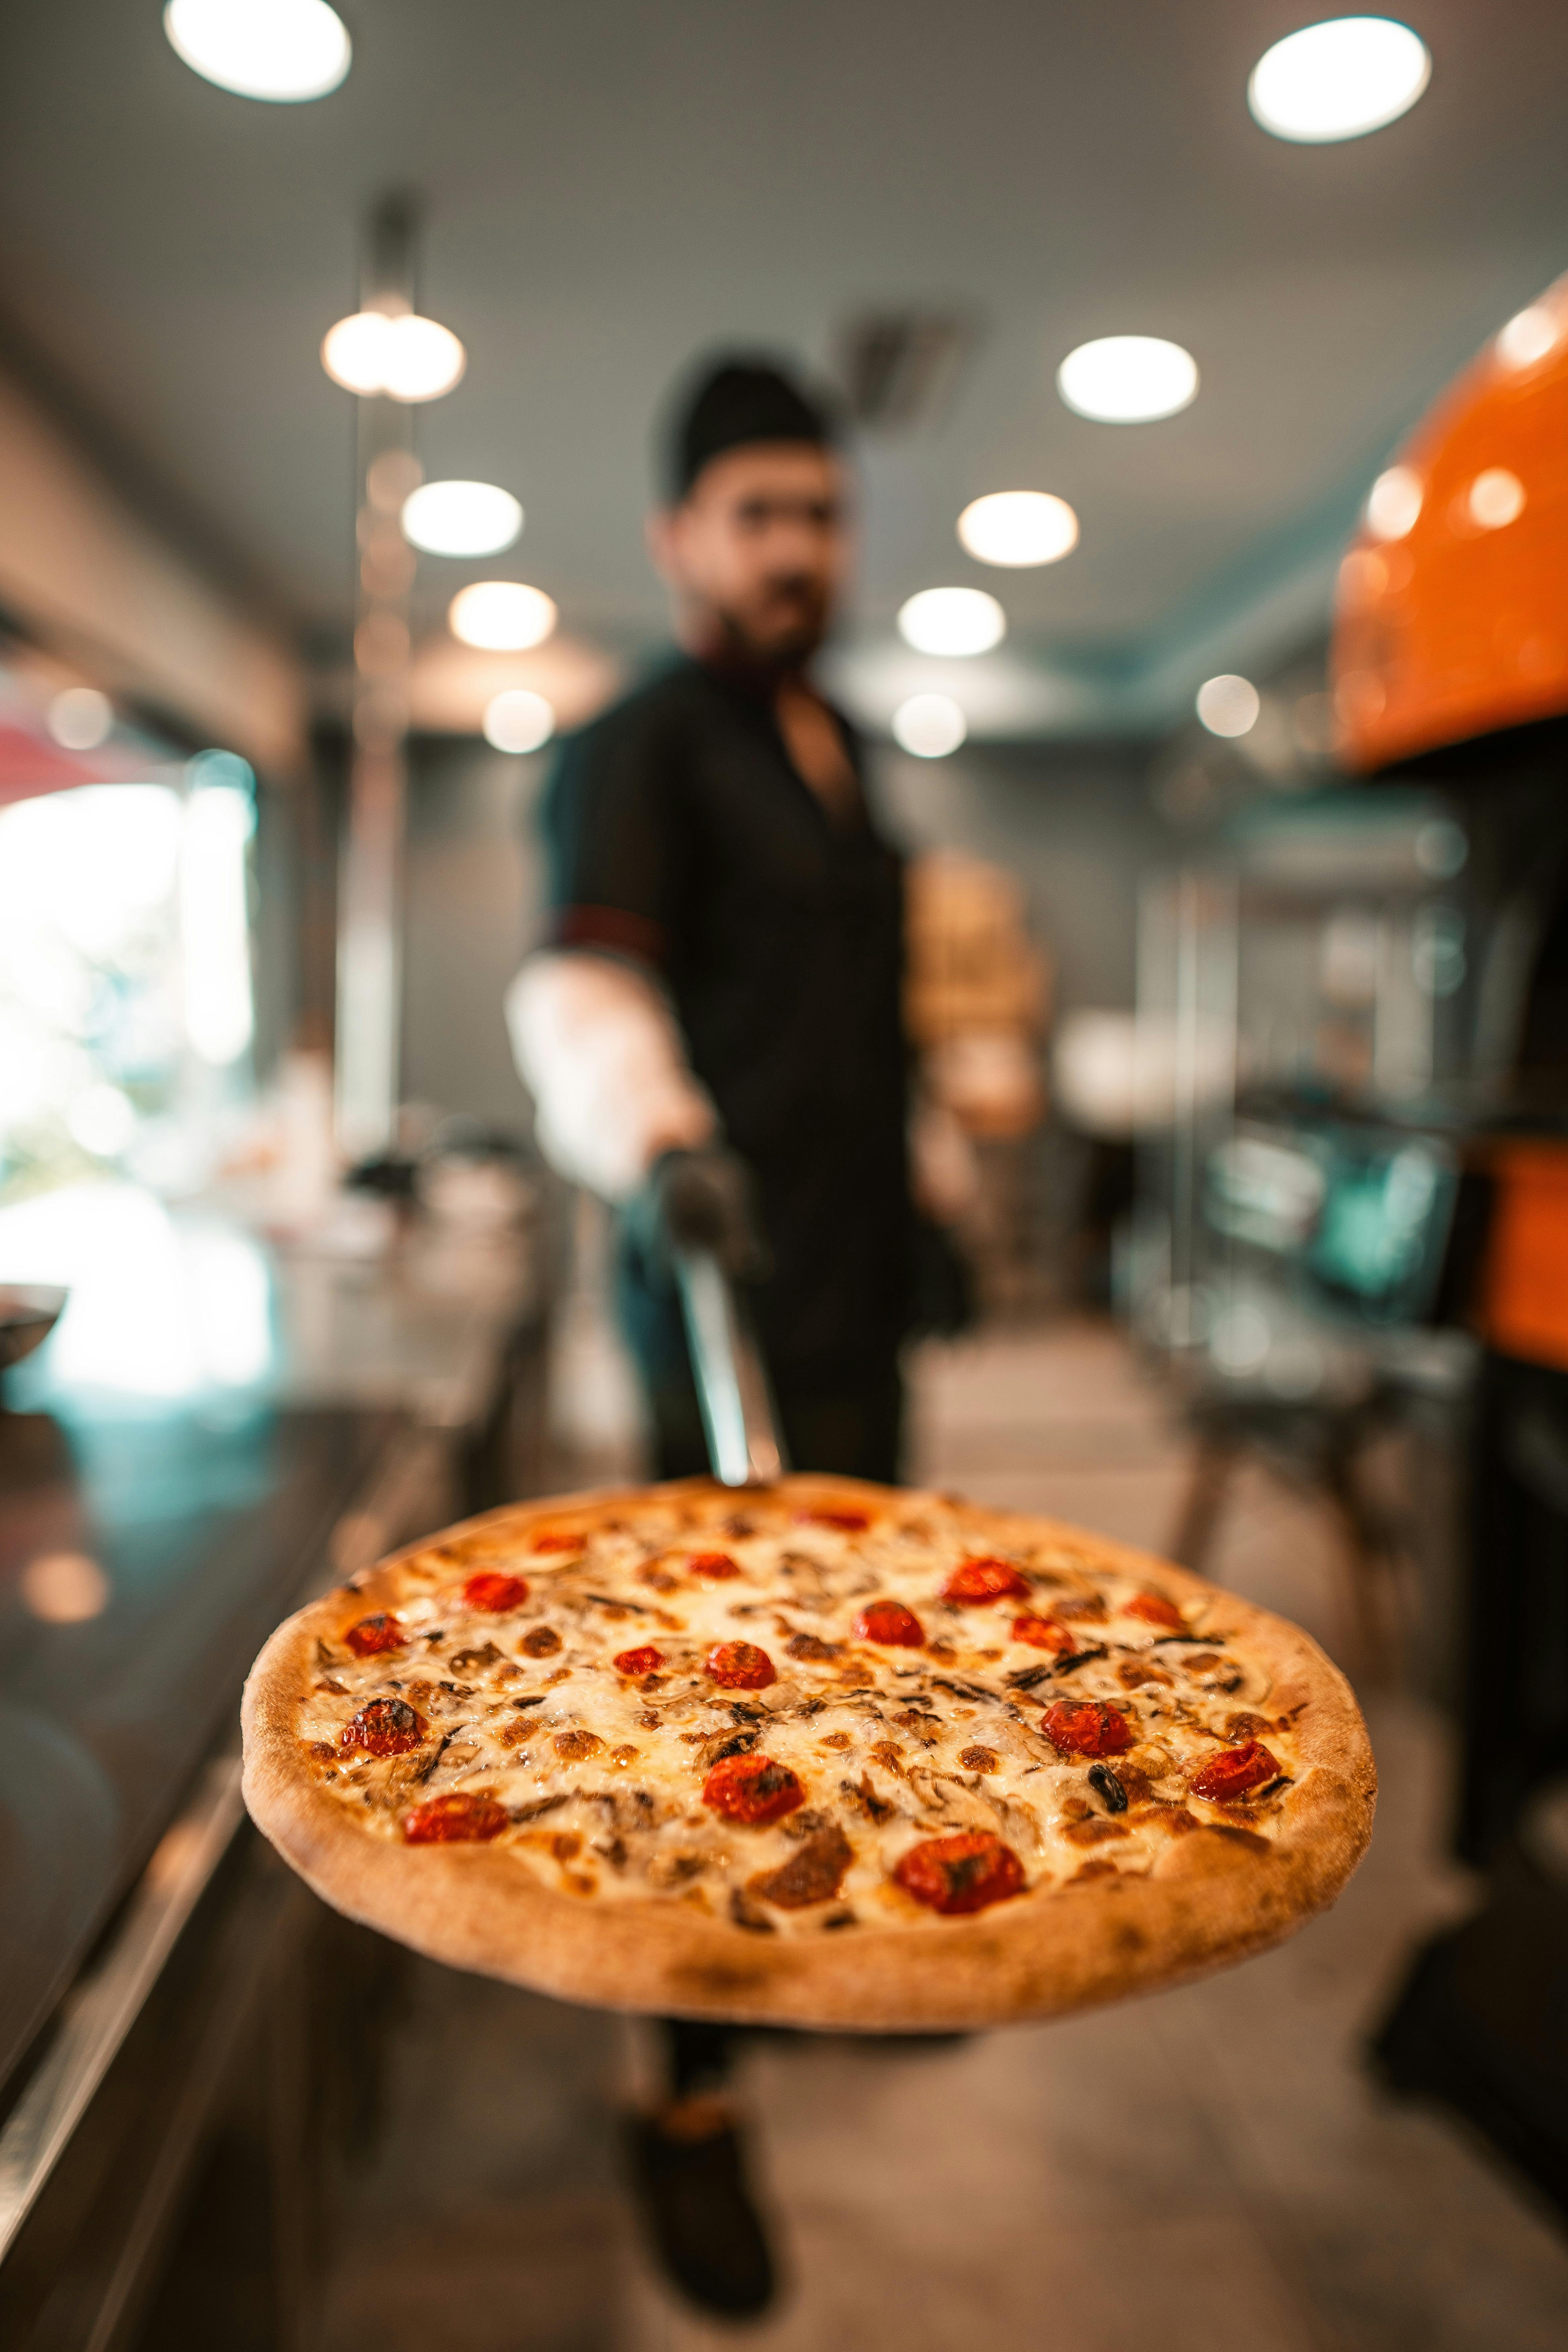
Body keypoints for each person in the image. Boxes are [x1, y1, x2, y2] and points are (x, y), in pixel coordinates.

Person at [507, 354, 968, 2318]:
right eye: (757, 515)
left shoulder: (844, 745)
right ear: (681, 539)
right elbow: (581, 990)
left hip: (859, 1288)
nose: (796, 550)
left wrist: (933, 1175)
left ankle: (829, 1965)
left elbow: (875, 1020)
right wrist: (665, 1144)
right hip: (718, 1295)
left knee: (863, 1659)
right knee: (714, 1701)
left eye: (821, 514)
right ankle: (685, 2096)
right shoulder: (642, 742)